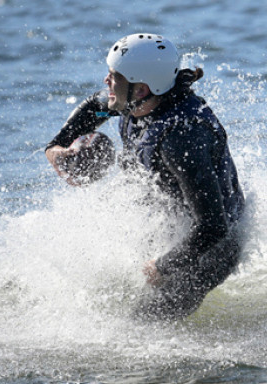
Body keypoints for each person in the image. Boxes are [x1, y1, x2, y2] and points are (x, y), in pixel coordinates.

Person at [45, 33, 245, 320]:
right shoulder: (135, 100)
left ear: (140, 89)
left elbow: (213, 227)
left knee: (141, 325)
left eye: (114, 76)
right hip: (176, 220)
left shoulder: (181, 138)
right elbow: (93, 107)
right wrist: (55, 147)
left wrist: (162, 266)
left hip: (213, 247)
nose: (106, 82)